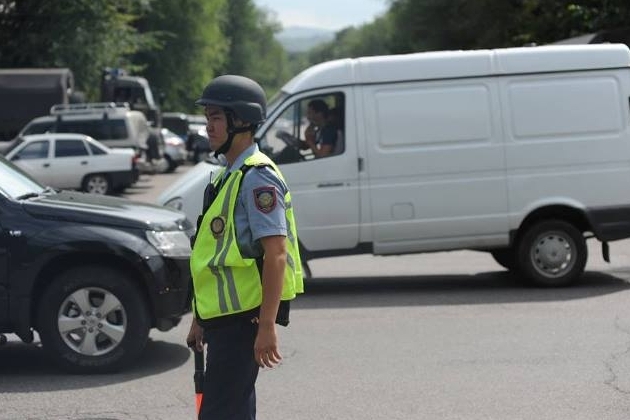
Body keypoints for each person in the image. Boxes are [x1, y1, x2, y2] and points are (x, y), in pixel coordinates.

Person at [187, 74, 304, 420]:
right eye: (207, 118)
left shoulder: (257, 177)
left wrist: (266, 326)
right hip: (223, 322)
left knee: (221, 413)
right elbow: (215, 258)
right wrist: (200, 319)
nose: (208, 127)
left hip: (244, 321)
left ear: (241, 122)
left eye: (216, 118)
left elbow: (276, 254)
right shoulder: (228, 175)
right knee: (234, 410)